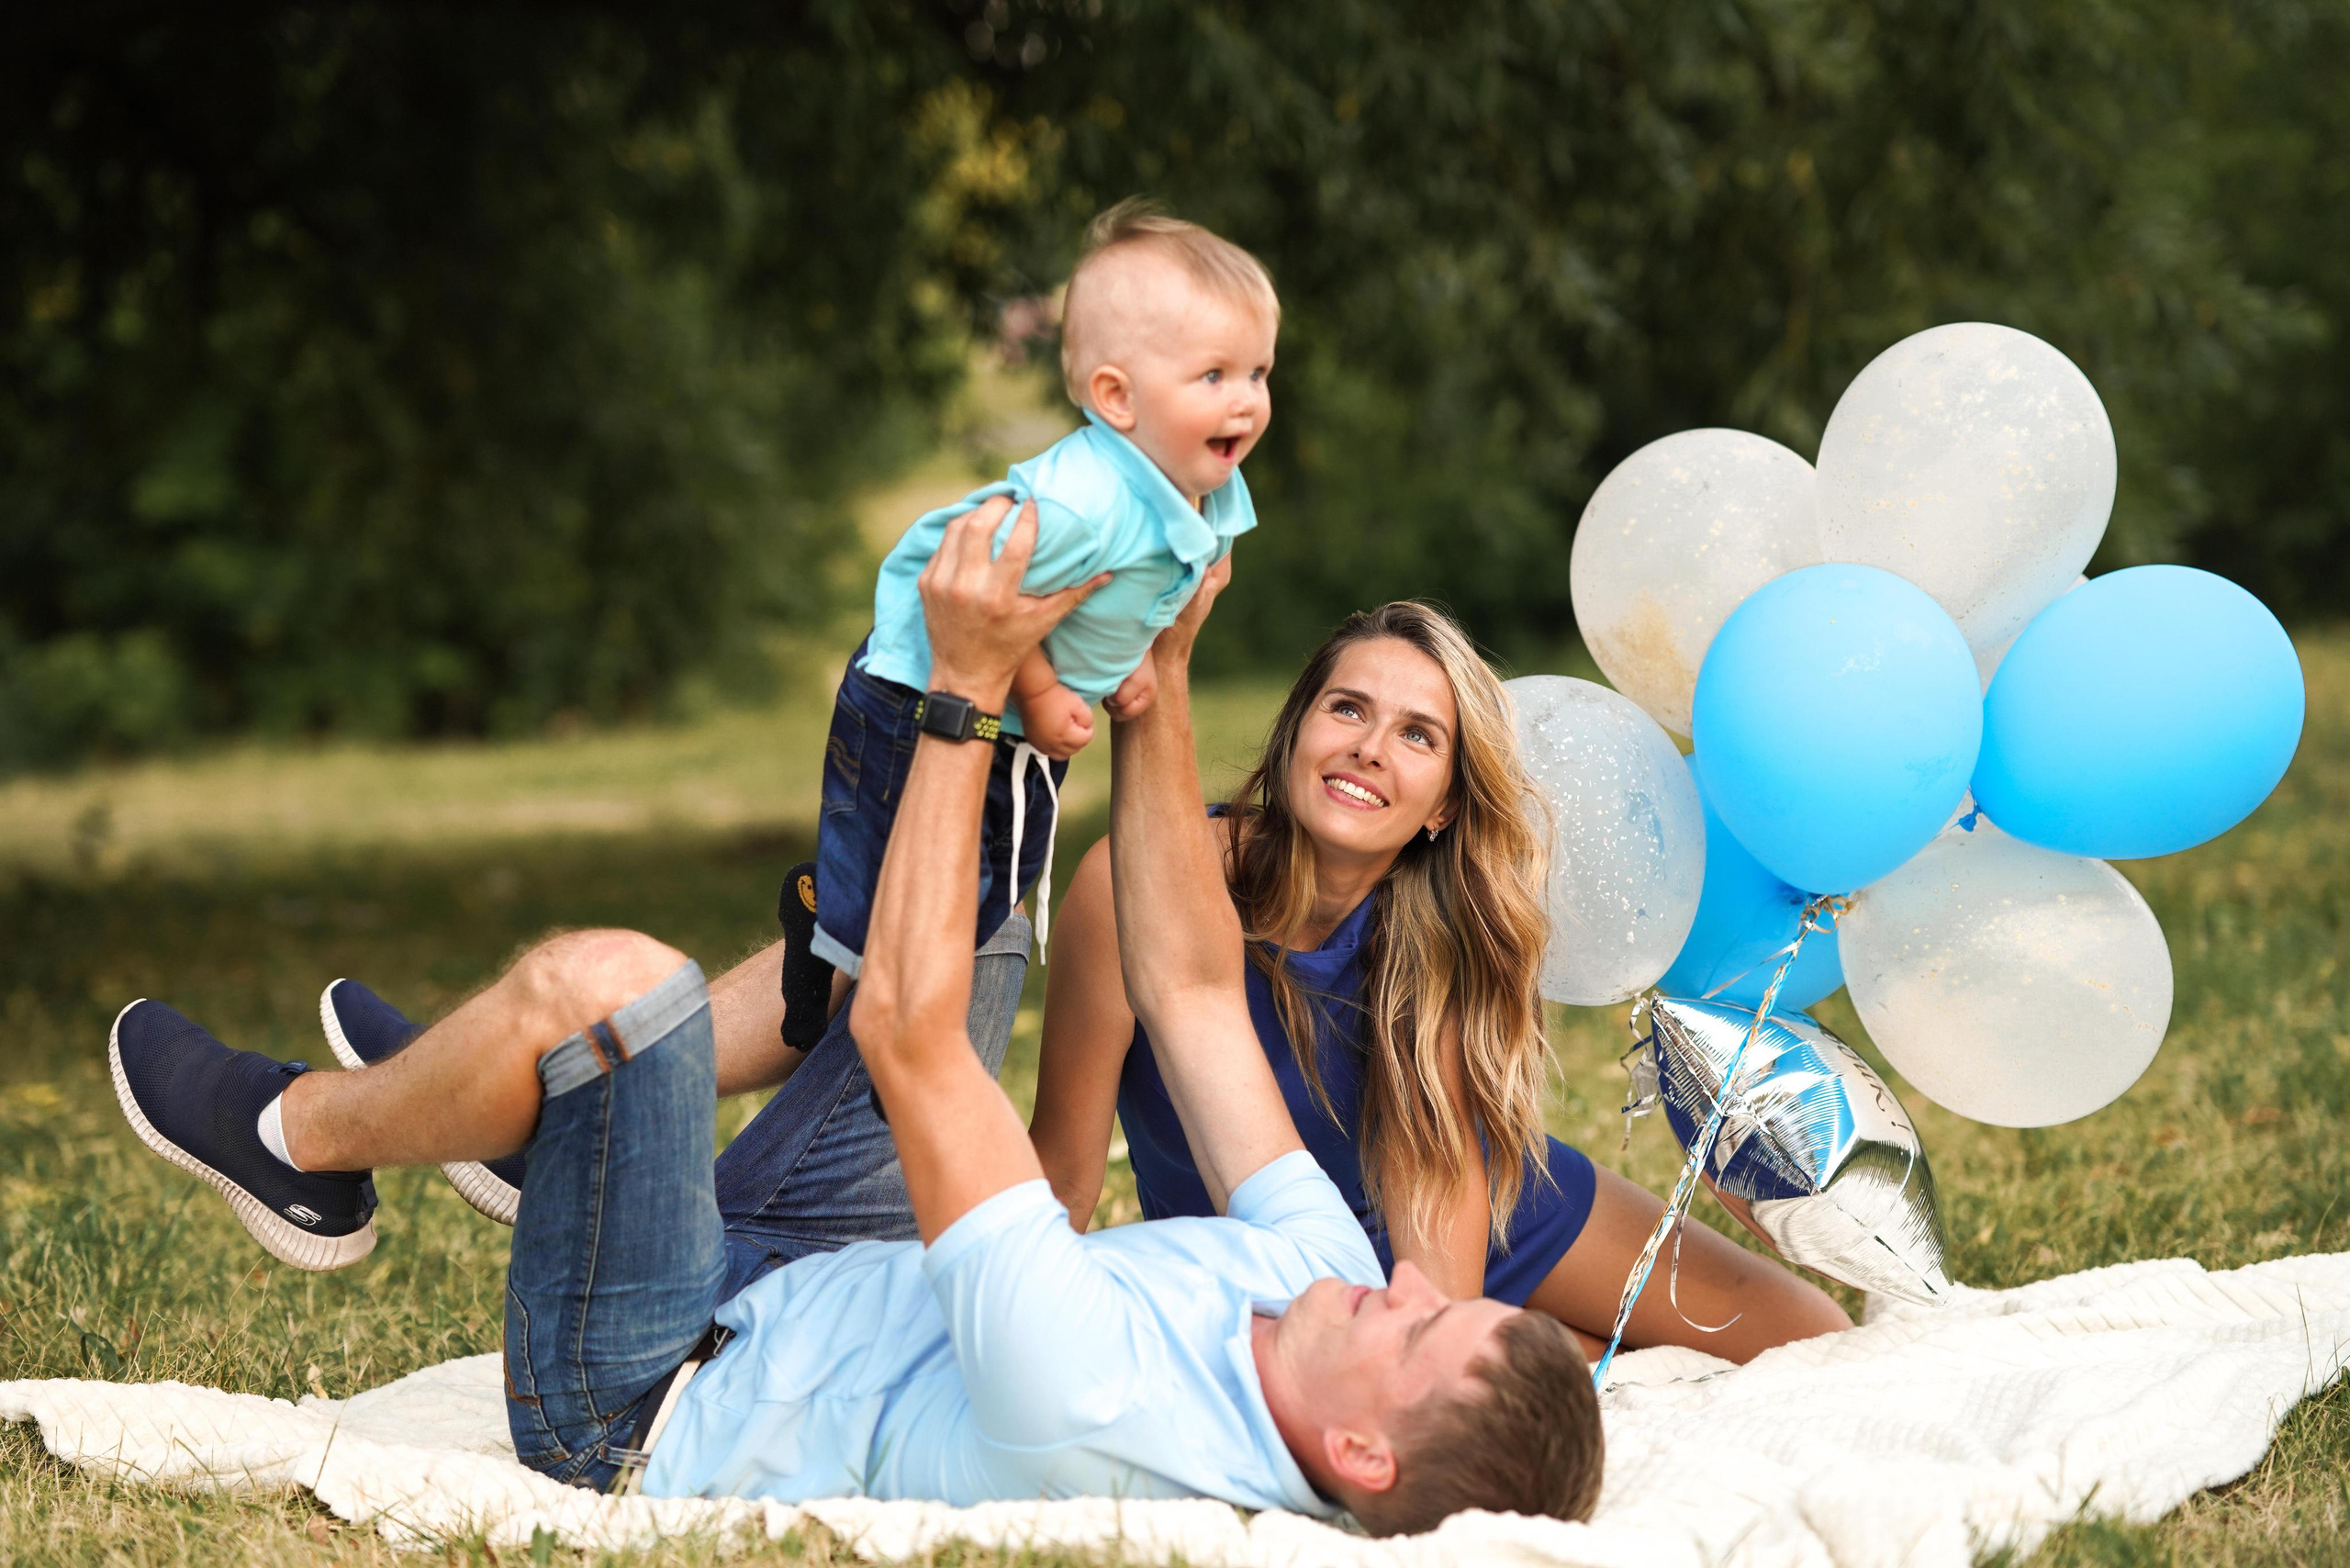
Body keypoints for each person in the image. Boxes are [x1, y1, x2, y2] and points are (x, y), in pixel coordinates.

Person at [105, 497, 1603, 1533]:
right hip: (845, 1277)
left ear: (1354, 1450)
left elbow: (911, 1035)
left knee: (611, 988)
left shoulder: (1099, 1401)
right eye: (1442, 1291)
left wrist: (963, 694)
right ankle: (539, 1131)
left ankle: (302, 1135)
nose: (1408, 1280)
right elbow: (1199, 983)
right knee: (974, 887)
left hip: (652, 1381)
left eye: (1423, 1327)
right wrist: (1159, 678)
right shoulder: (1328, 1281)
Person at [1029, 601, 1853, 1361]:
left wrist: (1439, 1337)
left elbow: (1440, 1192)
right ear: (1293, 738)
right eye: (1347, 708)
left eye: (1418, 736)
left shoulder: (1447, 931)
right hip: (1262, 1260)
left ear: (1443, 809)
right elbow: (1065, 1179)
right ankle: (1542, 1342)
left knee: (1812, 1338)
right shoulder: (1134, 887)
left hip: (1466, 1207)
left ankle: (1531, 1338)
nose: (1371, 748)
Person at [776, 198, 1278, 1050]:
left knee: (988, 893)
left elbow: (1135, 592)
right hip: (918, 685)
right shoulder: (1081, 505)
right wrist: (1044, 693)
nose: (1247, 403)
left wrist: (1127, 661)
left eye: (1260, 374)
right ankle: (828, 928)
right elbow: (987, 600)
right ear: (1116, 397)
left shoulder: (1196, 479)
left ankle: (874, 992)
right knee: (922, 901)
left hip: (1012, 717)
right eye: (1214, 378)